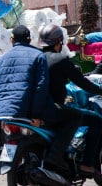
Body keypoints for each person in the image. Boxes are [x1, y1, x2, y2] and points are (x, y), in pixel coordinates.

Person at [0, 25, 81, 184]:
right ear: (30, 40)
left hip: (6, 115)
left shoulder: (1, 58)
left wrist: (1, 113)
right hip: (28, 113)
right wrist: (37, 115)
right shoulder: (38, 55)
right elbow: (41, 88)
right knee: (75, 117)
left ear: (12, 40)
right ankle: (56, 157)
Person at [38, 24, 102, 184]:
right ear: (59, 42)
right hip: (53, 108)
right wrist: (99, 90)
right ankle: (87, 164)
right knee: (96, 120)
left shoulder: (36, 58)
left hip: (34, 109)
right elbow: (81, 82)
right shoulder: (60, 59)